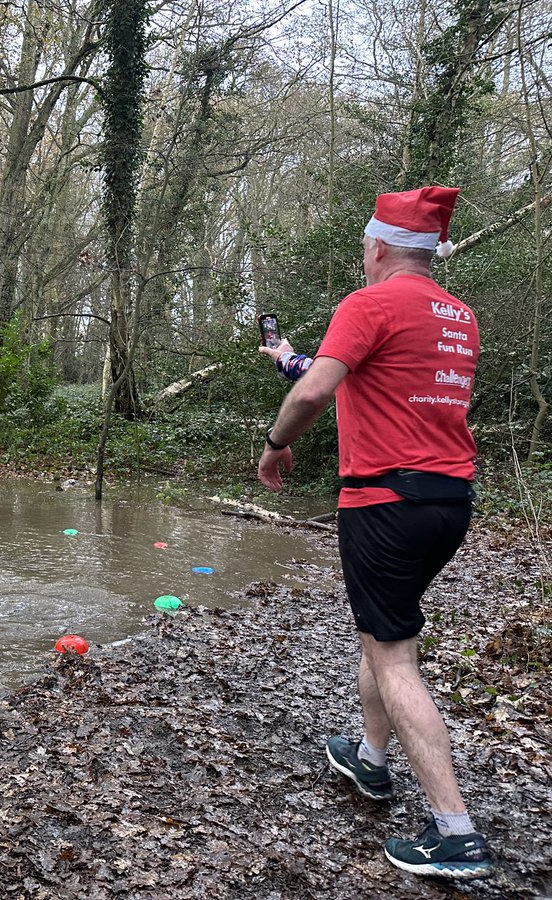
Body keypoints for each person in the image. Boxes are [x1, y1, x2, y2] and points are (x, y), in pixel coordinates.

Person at [257, 186, 491, 880]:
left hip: (385, 501)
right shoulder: (459, 315)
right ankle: (370, 759)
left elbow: (314, 393)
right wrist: (288, 357)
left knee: (394, 659)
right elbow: (364, 375)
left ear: (380, 246)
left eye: (365, 247)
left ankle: (455, 832)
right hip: (448, 502)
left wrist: (275, 446)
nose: (364, 256)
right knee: (384, 634)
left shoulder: (369, 303)